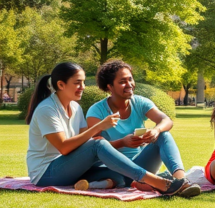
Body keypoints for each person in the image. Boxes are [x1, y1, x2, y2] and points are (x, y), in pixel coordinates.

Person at [26, 62, 188, 195]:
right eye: (77, 83)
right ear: (61, 84)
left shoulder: (75, 107)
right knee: (98, 144)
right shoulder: (47, 109)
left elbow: (84, 143)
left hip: (71, 168)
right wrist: (101, 126)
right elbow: (64, 147)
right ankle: (156, 181)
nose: (83, 87)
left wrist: (155, 131)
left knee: (116, 175)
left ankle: (176, 181)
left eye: (83, 82)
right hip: (46, 172)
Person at [85, 60, 200, 198]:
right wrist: (122, 142)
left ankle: (181, 181)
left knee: (163, 135)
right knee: (117, 178)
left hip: (141, 165)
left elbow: (166, 120)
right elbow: (93, 148)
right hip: (113, 168)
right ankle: (143, 182)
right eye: (122, 82)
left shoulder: (139, 102)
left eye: (130, 79)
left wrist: (156, 130)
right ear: (110, 86)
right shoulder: (97, 111)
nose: (129, 85)